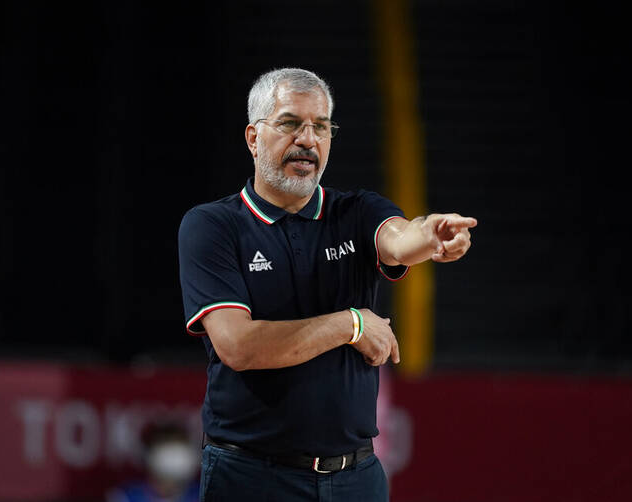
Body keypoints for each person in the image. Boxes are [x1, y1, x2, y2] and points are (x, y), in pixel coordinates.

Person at [178, 68, 476, 501]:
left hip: (356, 477)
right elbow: (238, 346)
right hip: (251, 477)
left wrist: (430, 235)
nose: (308, 139)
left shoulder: (356, 211)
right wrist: (351, 324)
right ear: (253, 138)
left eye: (321, 127)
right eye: (290, 123)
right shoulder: (212, 226)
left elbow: (399, 239)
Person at [105, 422, 200, 502]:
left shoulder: (201, 495)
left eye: (179, 450)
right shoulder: (124, 497)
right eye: (168, 451)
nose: (174, 458)